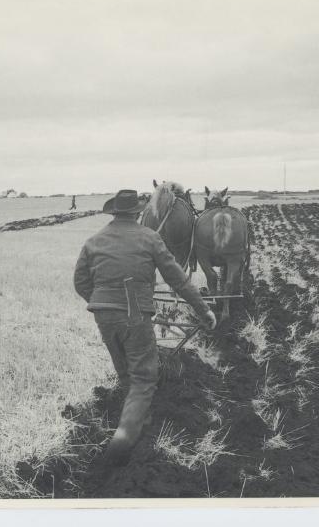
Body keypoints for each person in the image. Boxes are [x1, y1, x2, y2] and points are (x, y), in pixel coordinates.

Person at [73, 189, 216, 466]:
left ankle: (142, 417)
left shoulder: (93, 241)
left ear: (114, 212)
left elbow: (80, 282)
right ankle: (124, 438)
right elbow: (178, 279)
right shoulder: (149, 237)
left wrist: (102, 302)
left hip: (102, 313)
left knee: (126, 371)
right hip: (135, 311)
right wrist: (203, 309)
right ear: (139, 212)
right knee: (144, 378)